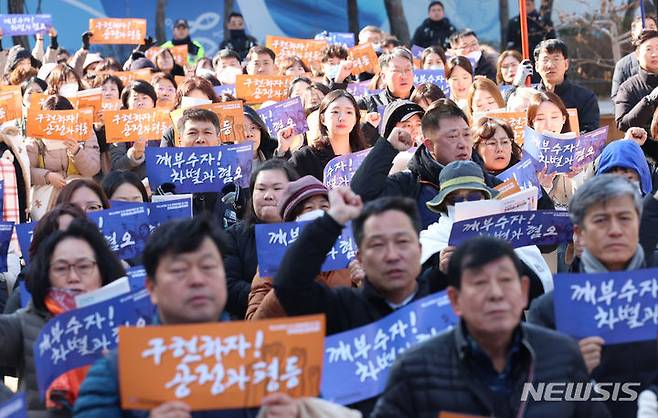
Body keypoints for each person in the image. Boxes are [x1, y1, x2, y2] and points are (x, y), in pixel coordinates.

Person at [74, 216, 305, 418]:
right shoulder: (115, 372)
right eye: (179, 270)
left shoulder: (271, 360)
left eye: (208, 267)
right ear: (152, 288)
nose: (197, 280)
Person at [370, 236, 610, 418]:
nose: (495, 294)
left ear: (524, 291)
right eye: (479, 282)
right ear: (455, 300)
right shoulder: (414, 369)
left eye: (505, 280)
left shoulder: (563, 356)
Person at [274, 192, 433, 415]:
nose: (392, 255)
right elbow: (289, 285)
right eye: (377, 245)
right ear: (360, 258)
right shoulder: (341, 309)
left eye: (402, 242)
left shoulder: (444, 307)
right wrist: (332, 220)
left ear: (420, 250)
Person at [527, 174, 658, 418]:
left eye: (624, 218)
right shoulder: (550, 311)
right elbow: (534, 402)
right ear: (580, 233)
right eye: (601, 220)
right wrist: (571, 374)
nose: (615, 230)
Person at [0, 218, 125, 417]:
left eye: (84, 267)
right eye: (61, 268)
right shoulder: (26, 322)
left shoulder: (129, 320)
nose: (73, 277)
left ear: (102, 270)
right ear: (46, 275)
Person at [351, 99, 500, 229]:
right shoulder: (409, 185)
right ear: (429, 144)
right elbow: (361, 193)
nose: (463, 144)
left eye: (467, 135)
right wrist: (388, 147)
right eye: (453, 136)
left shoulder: (493, 185)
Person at [419, 160, 552, 296]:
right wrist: (441, 271)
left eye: (474, 197)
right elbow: (415, 296)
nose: (466, 204)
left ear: (485, 198)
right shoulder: (431, 240)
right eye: (456, 200)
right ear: (444, 204)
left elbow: (537, 291)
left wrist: (504, 257)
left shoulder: (507, 231)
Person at [247, 175, 356, 320]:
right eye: (309, 208)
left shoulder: (350, 254)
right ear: (292, 222)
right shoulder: (272, 263)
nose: (318, 214)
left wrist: (364, 284)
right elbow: (255, 324)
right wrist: (288, 283)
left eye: (324, 207)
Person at [224, 159, 298, 319]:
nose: (268, 196)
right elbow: (228, 285)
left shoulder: (309, 233)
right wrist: (272, 297)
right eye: (261, 189)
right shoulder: (234, 236)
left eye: (277, 188)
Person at [26, 95, 100, 219]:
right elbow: (26, 173)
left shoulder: (84, 131)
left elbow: (93, 169)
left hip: (79, 196)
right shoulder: (35, 138)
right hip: (48, 202)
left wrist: (77, 152)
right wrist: (47, 176)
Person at [284, 90, 367, 180]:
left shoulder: (365, 156)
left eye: (349, 112)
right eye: (335, 112)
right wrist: (282, 150)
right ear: (322, 119)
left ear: (356, 119)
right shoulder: (306, 157)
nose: (342, 118)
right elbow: (281, 181)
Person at [534, 39, 599, 133]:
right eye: (545, 60)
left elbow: (590, 132)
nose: (550, 65)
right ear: (536, 66)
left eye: (556, 59)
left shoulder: (585, 97)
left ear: (566, 64)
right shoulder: (529, 96)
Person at [616, 30, 658, 160]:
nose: (655, 54)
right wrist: (649, 101)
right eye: (649, 49)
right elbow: (622, 124)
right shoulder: (628, 87)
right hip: (642, 157)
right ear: (638, 54)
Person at [109, 80, 159, 180]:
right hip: (132, 184)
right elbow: (116, 165)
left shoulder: (163, 124)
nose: (140, 103)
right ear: (127, 105)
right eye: (135, 99)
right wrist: (135, 154)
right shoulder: (119, 126)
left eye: (144, 98)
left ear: (153, 103)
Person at [357, 47, 415, 122]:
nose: (404, 76)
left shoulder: (425, 101)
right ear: (384, 76)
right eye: (396, 71)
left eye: (408, 70)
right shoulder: (367, 104)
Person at [611, 15, 657, 100]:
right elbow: (616, 98)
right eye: (643, 27)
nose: (648, 30)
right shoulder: (623, 65)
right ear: (633, 34)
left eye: (652, 26)